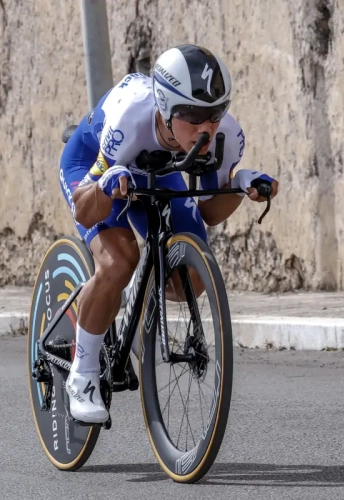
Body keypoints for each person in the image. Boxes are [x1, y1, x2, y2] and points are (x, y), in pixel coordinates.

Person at [58, 44, 278, 423]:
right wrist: (107, 185)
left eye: (214, 114)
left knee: (193, 279)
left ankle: (130, 302)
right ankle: (83, 374)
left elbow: (209, 211)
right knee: (119, 260)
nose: (205, 128)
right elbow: (84, 207)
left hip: (156, 169)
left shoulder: (225, 135)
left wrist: (240, 186)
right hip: (96, 167)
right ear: (164, 106)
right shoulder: (130, 119)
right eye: (192, 117)